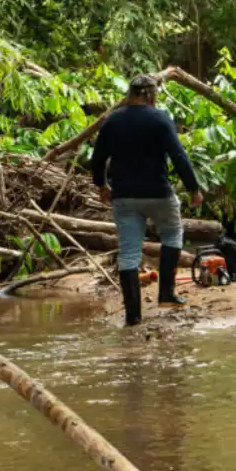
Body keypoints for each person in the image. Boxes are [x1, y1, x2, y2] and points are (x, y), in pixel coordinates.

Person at [91, 74, 204, 326]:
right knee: (173, 234)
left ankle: (133, 316)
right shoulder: (160, 118)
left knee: (129, 253)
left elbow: (97, 159)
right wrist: (193, 188)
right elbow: (179, 156)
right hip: (158, 193)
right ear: (150, 94)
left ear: (130, 94)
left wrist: (101, 185)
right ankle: (166, 294)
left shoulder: (112, 121)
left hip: (124, 197)